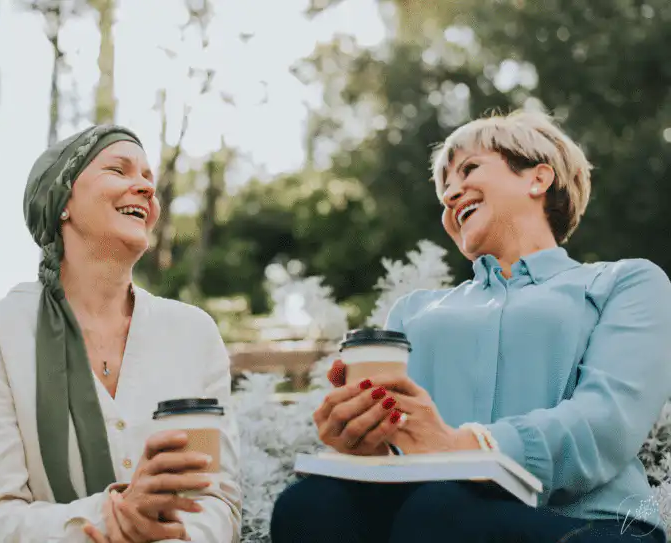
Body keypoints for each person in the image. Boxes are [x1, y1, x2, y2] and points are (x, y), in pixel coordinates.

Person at [270, 110, 671, 543]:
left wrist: (464, 447)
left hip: (594, 526)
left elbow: (606, 422)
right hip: (431, 516)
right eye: (444, 187)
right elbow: (405, 443)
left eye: (469, 169)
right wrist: (369, 440)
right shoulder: (412, 311)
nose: (450, 194)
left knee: (442, 512)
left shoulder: (625, 282)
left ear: (538, 179)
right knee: (308, 504)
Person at [0, 124, 242, 543]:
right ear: (62, 200)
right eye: (119, 170)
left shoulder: (193, 335)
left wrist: (167, 534)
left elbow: (217, 499)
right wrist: (110, 519)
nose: (146, 188)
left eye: (148, 178)